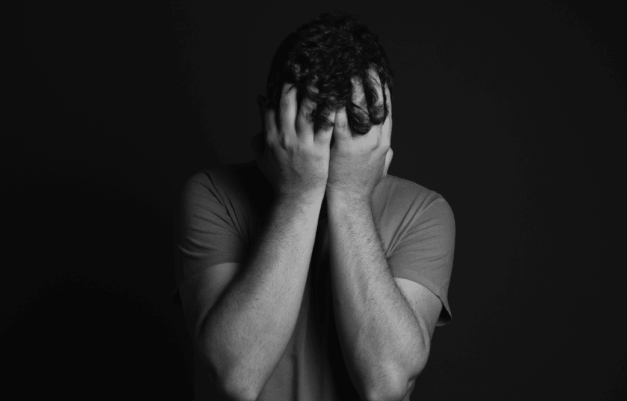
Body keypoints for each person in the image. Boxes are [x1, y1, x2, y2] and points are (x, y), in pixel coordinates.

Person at [174, 12, 456, 401]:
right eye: (315, 126)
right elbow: (235, 377)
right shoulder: (212, 194)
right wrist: (299, 194)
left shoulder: (424, 211)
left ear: (383, 128)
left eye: (351, 127)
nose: (329, 148)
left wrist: (351, 197)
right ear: (270, 121)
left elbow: (386, 382)